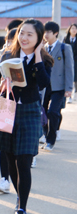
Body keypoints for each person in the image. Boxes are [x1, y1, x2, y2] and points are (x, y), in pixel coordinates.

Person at [0, 18, 52, 214]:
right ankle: (19, 196)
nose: (24, 37)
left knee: (24, 161)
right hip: (8, 108)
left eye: (30, 34)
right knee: (10, 159)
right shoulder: (7, 55)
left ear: (39, 39)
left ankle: (22, 207)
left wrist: (37, 57)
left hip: (30, 112)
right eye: (22, 33)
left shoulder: (45, 60)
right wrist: (2, 86)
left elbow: (43, 83)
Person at [0, 28, 17, 191]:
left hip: (25, 106)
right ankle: (4, 179)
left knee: (19, 149)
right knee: (3, 145)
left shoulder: (31, 57)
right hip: (5, 104)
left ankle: (17, 178)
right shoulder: (4, 55)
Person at [41, 21, 74, 152]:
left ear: (55, 33)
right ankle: (44, 134)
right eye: (45, 32)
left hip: (59, 87)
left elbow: (69, 69)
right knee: (42, 112)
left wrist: (69, 88)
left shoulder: (64, 48)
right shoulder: (41, 48)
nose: (46, 34)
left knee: (53, 112)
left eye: (48, 32)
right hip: (44, 86)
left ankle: (51, 139)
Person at [63, 23, 77, 103]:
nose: (74, 30)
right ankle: (70, 96)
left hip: (76, 61)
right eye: (72, 28)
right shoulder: (66, 39)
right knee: (68, 78)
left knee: (75, 78)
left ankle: (75, 93)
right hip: (67, 61)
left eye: (75, 28)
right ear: (69, 30)